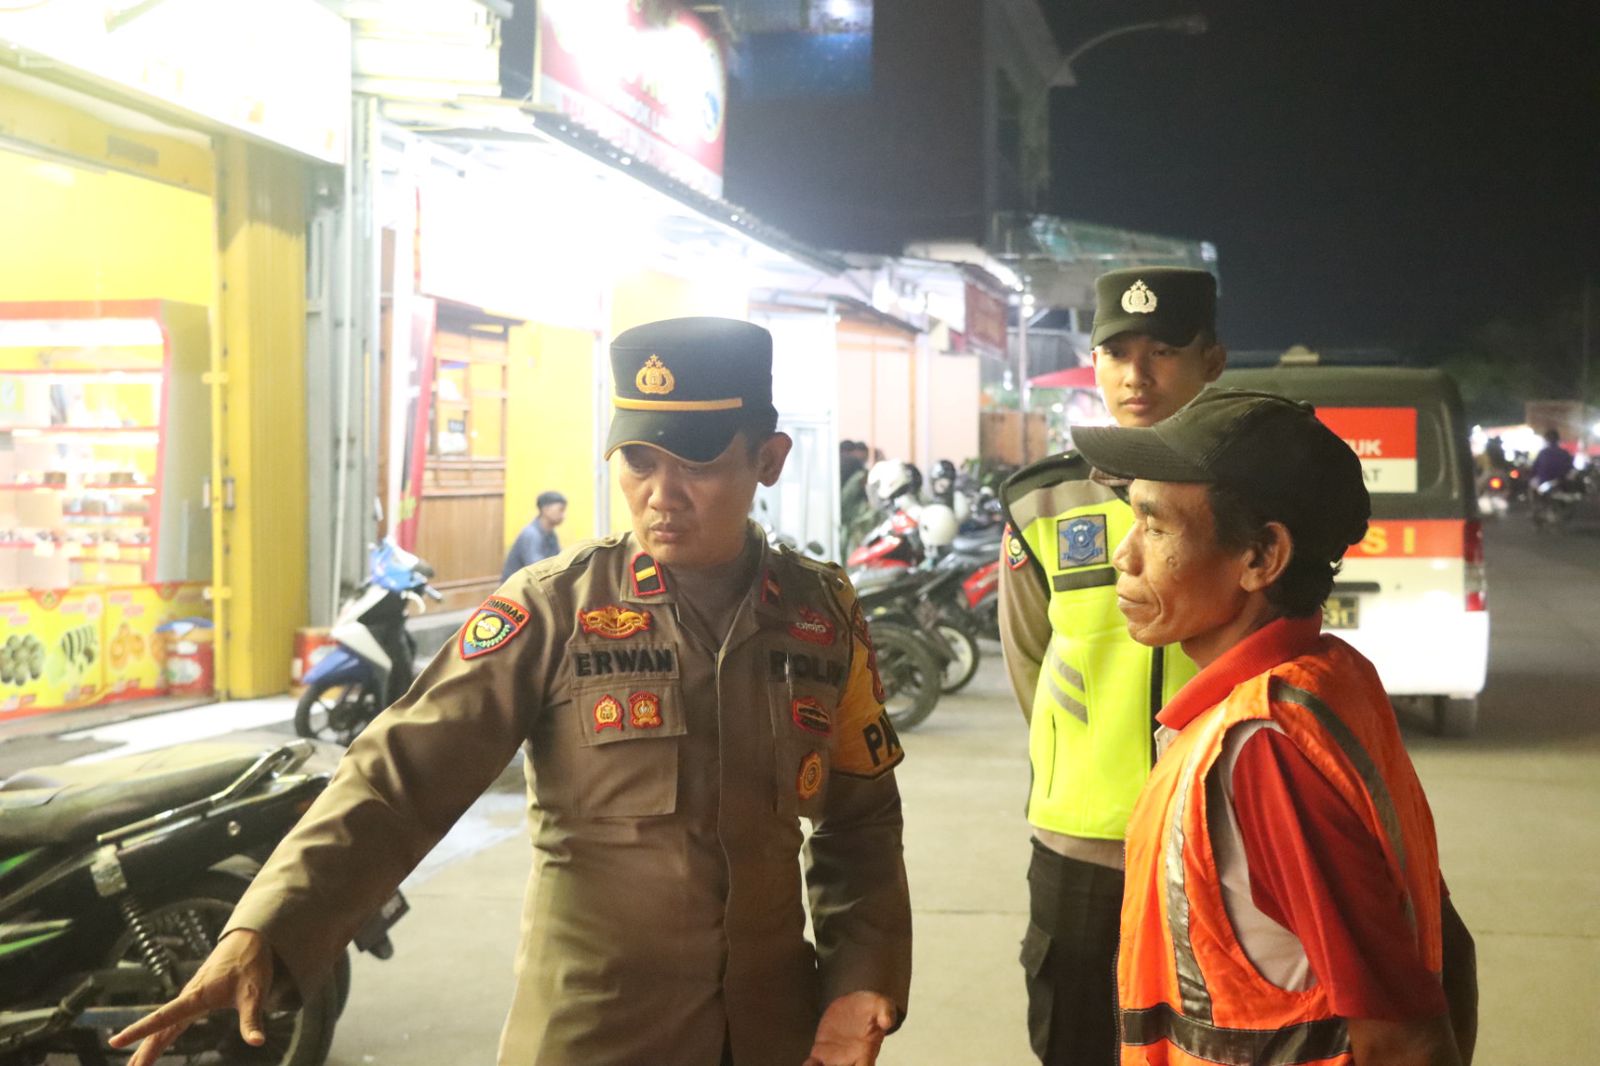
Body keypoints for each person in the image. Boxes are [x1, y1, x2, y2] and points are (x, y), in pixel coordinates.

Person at [112, 318, 913, 1066]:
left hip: (775, 1034)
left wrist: (861, 977)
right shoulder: (553, 610)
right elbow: (399, 778)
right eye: (639, 460)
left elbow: (861, 821)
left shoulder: (820, 615)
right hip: (594, 1035)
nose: (661, 493)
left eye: (697, 462)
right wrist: (266, 926)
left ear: (768, 458)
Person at [1070, 387, 1478, 1066]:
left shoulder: (1264, 747)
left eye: (1155, 526)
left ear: (1262, 557)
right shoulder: (1330, 678)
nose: (1124, 554)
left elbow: (1405, 1039)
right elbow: (1449, 947)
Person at [997, 266, 1225, 1064]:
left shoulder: (1252, 498)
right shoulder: (1041, 501)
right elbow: (1029, 657)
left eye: (1163, 351)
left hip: (1221, 840)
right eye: (1117, 353)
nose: (1137, 375)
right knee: (1076, 1043)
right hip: (1081, 846)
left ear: (1212, 362)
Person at [501, 490, 567, 580]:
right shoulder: (531, 534)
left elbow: (558, 563)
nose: (564, 515)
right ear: (546, 509)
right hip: (517, 587)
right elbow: (537, 570)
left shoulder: (551, 534)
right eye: (561, 510)